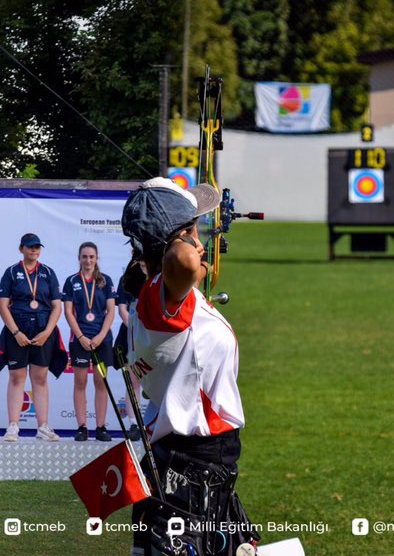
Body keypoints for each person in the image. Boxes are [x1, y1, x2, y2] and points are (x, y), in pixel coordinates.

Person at [122, 178, 257, 555]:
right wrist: (187, 249)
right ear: (174, 239)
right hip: (197, 455)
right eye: (193, 229)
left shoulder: (156, 295)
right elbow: (180, 261)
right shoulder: (162, 304)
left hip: (184, 455)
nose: (201, 239)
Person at [0, 233, 64, 442]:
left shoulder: (48, 273)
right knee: (17, 377)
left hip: (42, 329)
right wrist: (16, 333)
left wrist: (47, 332)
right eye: (30, 247)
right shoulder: (12, 272)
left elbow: (57, 306)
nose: (34, 250)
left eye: (37, 247)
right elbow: (2, 305)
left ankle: (42, 426)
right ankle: (13, 426)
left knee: (40, 378)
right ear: (21, 249)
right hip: (18, 328)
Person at [62, 242, 117, 442]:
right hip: (80, 341)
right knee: (80, 381)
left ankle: (101, 427)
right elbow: (68, 312)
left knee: (101, 381)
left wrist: (101, 336)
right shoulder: (71, 281)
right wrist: (81, 337)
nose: (88, 260)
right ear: (79, 258)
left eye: (91, 257)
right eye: (84, 256)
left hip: (102, 341)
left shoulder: (106, 281)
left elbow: (111, 311)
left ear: (96, 258)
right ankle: (82, 427)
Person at [115, 261, 144, 441]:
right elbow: (122, 309)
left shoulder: (160, 277)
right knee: (134, 381)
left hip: (155, 336)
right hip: (131, 335)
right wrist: (134, 330)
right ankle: (134, 423)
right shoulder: (127, 278)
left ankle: (156, 423)